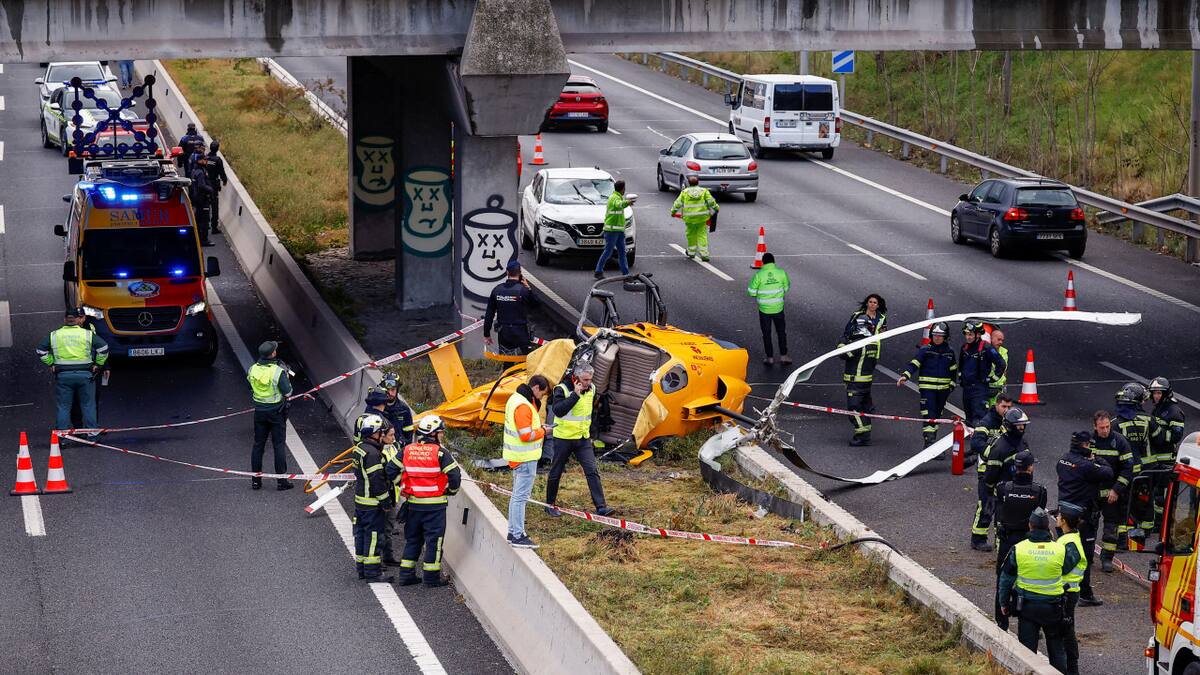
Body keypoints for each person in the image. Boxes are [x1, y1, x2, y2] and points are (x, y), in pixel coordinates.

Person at [996, 507, 1074, 672]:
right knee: (1057, 653)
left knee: (1026, 655)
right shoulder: (1060, 549)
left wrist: (1003, 603)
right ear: (1048, 527)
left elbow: (1005, 579)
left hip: (1026, 608)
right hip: (1054, 608)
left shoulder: (1019, 549)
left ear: (1030, 526)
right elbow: (1067, 568)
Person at [396, 415, 461, 587]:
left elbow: (390, 469)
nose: (442, 436)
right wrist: (451, 491)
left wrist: (403, 485)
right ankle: (431, 579)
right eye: (440, 432)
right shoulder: (440, 453)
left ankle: (406, 575)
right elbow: (455, 475)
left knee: (413, 539)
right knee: (434, 542)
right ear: (433, 434)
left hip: (413, 505)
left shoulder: (407, 450)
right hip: (435, 507)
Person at [544, 363, 615, 517]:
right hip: (563, 438)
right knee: (556, 471)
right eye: (585, 380)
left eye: (590, 379)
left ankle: (601, 506)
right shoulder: (561, 389)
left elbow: (590, 412)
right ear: (576, 378)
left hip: (582, 439)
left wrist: (593, 432)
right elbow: (558, 411)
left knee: (592, 471)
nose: (588, 382)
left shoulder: (592, 388)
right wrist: (575, 395)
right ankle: (549, 504)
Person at [1055, 430, 1112, 606]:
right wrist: (1096, 459)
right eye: (1088, 445)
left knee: (1062, 552)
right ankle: (1085, 594)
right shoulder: (1086, 465)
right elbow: (1108, 472)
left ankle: (1058, 589)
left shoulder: (1063, 459)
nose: (1090, 448)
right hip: (1082, 517)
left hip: (1062, 513)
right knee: (1084, 556)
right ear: (1083, 445)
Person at [992, 450, 1046, 630]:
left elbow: (997, 507)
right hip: (1029, 542)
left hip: (1008, 541)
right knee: (1031, 581)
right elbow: (1040, 513)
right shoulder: (1039, 491)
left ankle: (1001, 621)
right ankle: (1030, 622)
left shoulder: (1003, 488)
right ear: (1030, 468)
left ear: (1015, 467)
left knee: (1003, 581)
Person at [36, 308, 109, 437]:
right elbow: (103, 348)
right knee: (88, 405)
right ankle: (92, 435)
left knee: (63, 407)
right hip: (85, 375)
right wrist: (98, 364)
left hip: (63, 375)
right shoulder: (87, 334)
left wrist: (51, 363)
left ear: (65, 320)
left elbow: (40, 350)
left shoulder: (54, 335)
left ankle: (62, 437)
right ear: (77, 320)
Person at [351, 413, 403, 583]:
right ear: (374, 433)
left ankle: (362, 569)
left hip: (361, 501)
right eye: (381, 432)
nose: (383, 435)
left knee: (361, 535)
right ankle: (373, 573)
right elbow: (377, 481)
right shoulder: (373, 454)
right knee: (373, 537)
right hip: (372, 503)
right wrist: (385, 502)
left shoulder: (359, 449)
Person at [974, 407, 1031, 551]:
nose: (1021, 428)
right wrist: (990, 489)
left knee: (1010, 517)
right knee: (987, 509)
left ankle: (1007, 545)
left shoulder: (1022, 443)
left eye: (1023, 425)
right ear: (1010, 425)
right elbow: (992, 471)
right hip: (997, 486)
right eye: (1019, 425)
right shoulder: (1000, 447)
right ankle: (978, 538)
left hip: (1014, 486)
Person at [505, 374, 550, 549]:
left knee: (517, 496)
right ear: (536, 388)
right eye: (542, 394)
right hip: (524, 458)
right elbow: (526, 435)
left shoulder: (516, 399)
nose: (541, 398)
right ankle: (517, 535)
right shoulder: (523, 406)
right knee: (520, 497)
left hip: (519, 457)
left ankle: (513, 532)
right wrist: (544, 432)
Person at [897, 321, 958, 448]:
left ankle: (931, 442)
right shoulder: (925, 350)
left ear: (945, 337)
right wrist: (905, 375)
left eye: (940, 335)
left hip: (943, 391)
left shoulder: (950, 352)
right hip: (927, 390)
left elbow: (953, 370)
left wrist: (951, 385)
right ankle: (929, 444)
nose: (937, 337)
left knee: (936, 416)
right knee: (929, 414)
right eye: (935, 335)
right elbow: (914, 363)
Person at [1090, 410, 1134, 573]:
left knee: (1111, 526)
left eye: (1107, 426)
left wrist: (1116, 490)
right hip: (1093, 492)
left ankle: (1107, 558)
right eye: (1101, 428)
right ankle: (1087, 557)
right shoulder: (1089, 441)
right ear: (1095, 427)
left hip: (1111, 494)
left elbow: (1128, 469)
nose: (1105, 430)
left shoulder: (1120, 442)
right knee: (1089, 525)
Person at [247, 340, 293, 491]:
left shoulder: (252, 369)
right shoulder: (277, 371)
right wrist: (286, 376)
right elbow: (288, 392)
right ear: (273, 354)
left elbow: (250, 387)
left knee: (258, 445)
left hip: (259, 412)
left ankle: (256, 481)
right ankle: (281, 482)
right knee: (278, 445)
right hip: (276, 413)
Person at [1144, 377, 1186, 536]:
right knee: (1156, 492)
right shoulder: (1159, 408)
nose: (1155, 396)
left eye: (1158, 393)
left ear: (1165, 393)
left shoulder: (1174, 411)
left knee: (1162, 493)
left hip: (1166, 458)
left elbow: (1176, 436)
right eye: (1154, 393)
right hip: (1155, 456)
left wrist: (1158, 435)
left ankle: (1162, 523)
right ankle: (1158, 522)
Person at [1055, 502, 1091, 675]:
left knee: (1067, 631)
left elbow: (1061, 568)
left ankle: (1072, 669)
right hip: (1066, 592)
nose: (1056, 518)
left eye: (1058, 516)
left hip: (1067, 593)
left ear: (1063, 521)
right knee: (1065, 629)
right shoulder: (1068, 538)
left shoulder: (1070, 544)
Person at [838, 318, 877, 447]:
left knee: (854, 409)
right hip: (866, 382)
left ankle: (862, 436)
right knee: (864, 409)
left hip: (855, 383)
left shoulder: (858, 344)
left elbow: (842, 354)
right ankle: (866, 433)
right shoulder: (872, 343)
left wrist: (842, 342)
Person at [747, 252, 791, 366]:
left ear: (763, 262)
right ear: (773, 262)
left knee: (766, 334)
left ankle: (770, 358)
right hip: (778, 309)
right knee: (781, 332)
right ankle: (784, 356)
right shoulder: (781, 273)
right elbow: (786, 288)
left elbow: (751, 292)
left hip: (764, 310)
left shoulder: (759, 275)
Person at [958, 320, 1006, 426]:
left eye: (970, 334)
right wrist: (961, 377)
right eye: (966, 334)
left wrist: (993, 378)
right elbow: (961, 365)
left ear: (978, 334)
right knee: (969, 419)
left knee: (978, 419)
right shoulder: (964, 348)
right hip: (967, 389)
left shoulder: (986, 348)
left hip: (980, 389)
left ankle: (981, 440)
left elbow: (1001, 363)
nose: (968, 337)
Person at [484, 261, 537, 355]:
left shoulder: (497, 290)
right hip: (521, 332)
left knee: (507, 361)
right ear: (520, 273)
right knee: (526, 362)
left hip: (504, 332)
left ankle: (507, 369)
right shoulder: (523, 291)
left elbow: (489, 314)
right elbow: (536, 305)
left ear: (507, 273)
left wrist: (486, 334)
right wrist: (528, 287)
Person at [670, 175, 718, 261]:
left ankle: (691, 252)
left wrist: (673, 212)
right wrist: (716, 208)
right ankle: (704, 254)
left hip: (689, 219)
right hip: (702, 218)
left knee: (691, 234)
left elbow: (677, 203)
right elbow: (711, 202)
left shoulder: (685, 192)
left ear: (688, 183)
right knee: (702, 235)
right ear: (698, 182)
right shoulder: (704, 191)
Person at [595, 179, 634, 279]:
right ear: (622, 189)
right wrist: (627, 203)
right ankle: (598, 271)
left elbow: (620, 205)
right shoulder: (614, 198)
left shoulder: (617, 197)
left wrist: (626, 203)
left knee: (622, 252)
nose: (625, 190)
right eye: (624, 188)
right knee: (608, 251)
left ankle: (625, 274)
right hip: (612, 231)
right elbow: (618, 205)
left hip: (619, 231)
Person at [970, 394, 1014, 464]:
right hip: (988, 466)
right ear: (996, 405)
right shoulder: (986, 422)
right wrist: (993, 454)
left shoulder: (1011, 420)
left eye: (1009, 407)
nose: (1006, 410)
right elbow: (976, 443)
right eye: (1004, 406)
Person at [189, 152, 215, 246]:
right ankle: (204, 240)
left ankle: (197, 239)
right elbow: (201, 186)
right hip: (202, 199)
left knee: (198, 219)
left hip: (197, 198)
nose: (206, 161)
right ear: (200, 160)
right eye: (205, 159)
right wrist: (211, 190)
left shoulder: (194, 170)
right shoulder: (200, 172)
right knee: (204, 220)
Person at [381, 374, 415, 445]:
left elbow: (409, 435)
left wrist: (400, 444)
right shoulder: (377, 406)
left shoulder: (404, 409)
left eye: (393, 390)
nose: (390, 393)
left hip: (398, 451)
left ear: (397, 390)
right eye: (387, 390)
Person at [205, 140, 229, 235]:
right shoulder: (218, 160)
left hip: (205, 183)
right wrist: (225, 180)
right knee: (214, 207)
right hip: (213, 185)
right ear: (217, 149)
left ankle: (205, 225)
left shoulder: (205, 157)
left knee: (205, 205)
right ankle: (214, 227)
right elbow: (221, 172)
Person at [987, 328, 1009, 407]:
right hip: (986, 386)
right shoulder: (985, 351)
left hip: (999, 389)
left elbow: (1004, 371)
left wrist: (1005, 386)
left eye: (1002, 340)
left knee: (997, 414)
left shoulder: (1004, 352)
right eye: (998, 339)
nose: (1001, 342)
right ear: (991, 339)